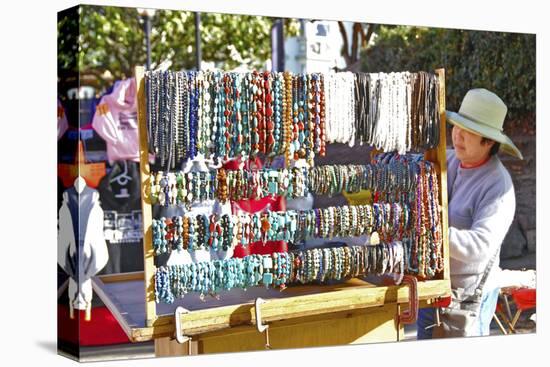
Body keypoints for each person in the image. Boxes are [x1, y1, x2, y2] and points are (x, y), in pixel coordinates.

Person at [417, 88, 523, 338]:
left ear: (489, 141)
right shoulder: (449, 160)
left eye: (469, 132)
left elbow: (479, 247)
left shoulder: (499, 186)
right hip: (433, 287)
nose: (458, 134)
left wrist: (431, 231)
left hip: (466, 298)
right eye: (457, 126)